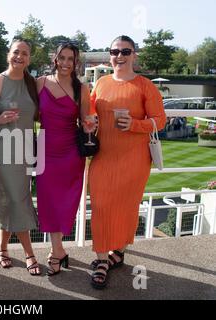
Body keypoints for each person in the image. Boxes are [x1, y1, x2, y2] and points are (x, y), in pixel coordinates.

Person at [88, 35, 166, 289]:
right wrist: (90, 121)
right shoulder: (100, 83)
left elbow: (159, 121)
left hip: (134, 160)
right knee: (100, 206)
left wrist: (134, 124)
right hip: (103, 157)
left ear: (134, 55)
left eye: (125, 51)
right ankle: (101, 258)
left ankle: (118, 251)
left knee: (126, 207)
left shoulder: (145, 85)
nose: (119, 56)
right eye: (114, 51)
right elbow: (89, 112)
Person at [0, 38, 41, 276]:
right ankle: (29, 253)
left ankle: (2, 247)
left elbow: (38, 116)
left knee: (13, 198)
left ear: (29, 58)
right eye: (16, 52)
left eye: (25, 54)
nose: (20, 57)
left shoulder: (34, 84)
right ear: (9, 54)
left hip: (26, 149)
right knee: (16, 199)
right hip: (3, 149)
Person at [35, 42, 90, 276]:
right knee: (48, 203)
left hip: (70, 155)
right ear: (55, 59)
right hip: (45, 151)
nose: (66, 63)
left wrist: (90, 123)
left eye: (71, 59)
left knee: (65, 204)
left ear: (75, 62)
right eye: (62, 58)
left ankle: (56, 251)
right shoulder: (40, 83)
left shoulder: (82, 89)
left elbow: (86, 120)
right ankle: (57, 250)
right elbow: (33, 114)